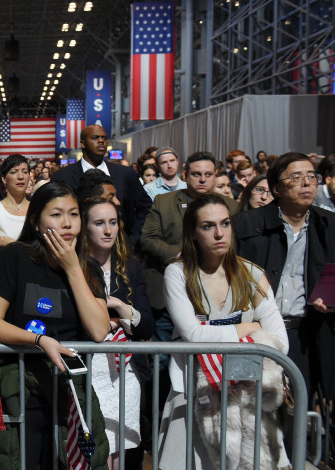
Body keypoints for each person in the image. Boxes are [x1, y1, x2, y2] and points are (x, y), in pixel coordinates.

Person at [0, 181, 110, 470]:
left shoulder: (87, 268)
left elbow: (100, 330)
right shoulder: (16, 257)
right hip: (21, 388)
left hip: (69, 390)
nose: (67, 223)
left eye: (74, 214)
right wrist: (39, 341)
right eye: (56, 214)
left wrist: (73, 268)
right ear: (35, 221)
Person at [158, 193, 288, 470]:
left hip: (247, 398)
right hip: (193, 391)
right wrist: (248, 328)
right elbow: (193, 335)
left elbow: (280, 341)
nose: (219, 233)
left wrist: (218, 333)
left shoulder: (252, 273)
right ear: (193, 233)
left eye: (225, 223)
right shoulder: (178, 273)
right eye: (208, 226)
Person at [234, 152, 335, 410]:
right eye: (296, 177)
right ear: (276, 188)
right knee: (253, 414)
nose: (307, 183)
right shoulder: (246, 225)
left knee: (297, 414)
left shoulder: (328, 225)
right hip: (257, 333)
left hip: (307, 333)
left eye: (312, 176)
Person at [140, 152, 239, 402]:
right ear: (186, 175)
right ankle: (160, 417)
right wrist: (181, 255)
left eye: (208, 174)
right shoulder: (164, 202)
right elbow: (148, 239)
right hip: (166, 294)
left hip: (215, 298)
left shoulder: (232, 208)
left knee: (210, 359)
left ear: (216, 176)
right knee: (163, 361)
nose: (202, 179)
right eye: (196, 174)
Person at [81, 198, 154, 467]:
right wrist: (110, 320)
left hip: (125, 372)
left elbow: (146, 325)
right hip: (89, 367)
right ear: (85, 228)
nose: (108, 230)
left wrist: (121, 307)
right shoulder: (74, 268)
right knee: (92, 449)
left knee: (120, 451)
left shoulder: (131, 268)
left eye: (112, 222)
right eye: (99, 223)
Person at [52, 125, 152, 247]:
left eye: (104, 138)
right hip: (78, 249)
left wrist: (133, 239)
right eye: (95, 137)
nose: (101, 141)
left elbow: (146, 208)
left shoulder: (125, 174)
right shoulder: (62, 177)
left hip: (122, 247)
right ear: (83, 144)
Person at [0, 154, 30, 266]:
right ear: (4, 179)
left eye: (25, 171)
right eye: (14, 172)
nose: (21, 176)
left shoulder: (39, 209)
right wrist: (29, 253)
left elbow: (45, 253)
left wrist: (13, 245)